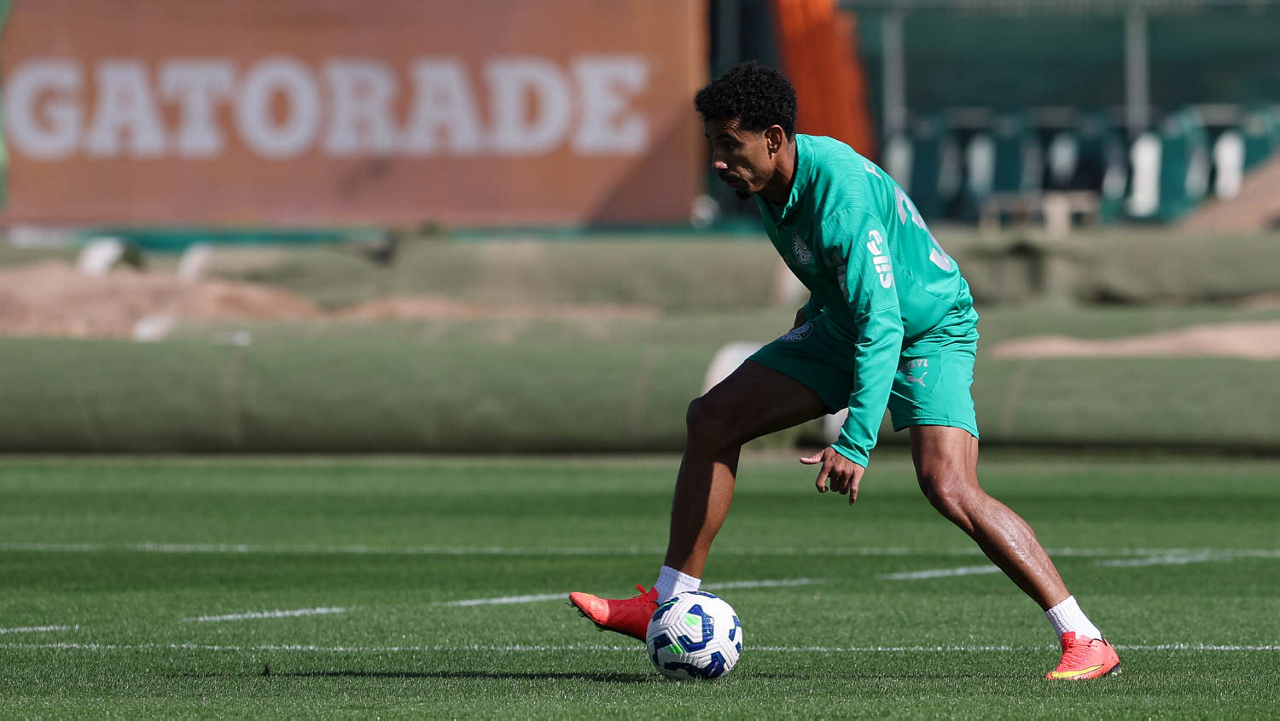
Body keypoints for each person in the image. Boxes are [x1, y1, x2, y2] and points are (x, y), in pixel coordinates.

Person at [569, 62, 1119, 681]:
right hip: (845, 322)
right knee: (713, 418)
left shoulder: (840, 194)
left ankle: (1084, 637)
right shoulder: (768, 184)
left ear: (773, 138)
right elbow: (843, 286)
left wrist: (855, 442)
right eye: (712, 144)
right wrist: (809, 330)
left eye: (729, 143)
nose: (718, 160)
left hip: (927, 329)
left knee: (948, 485)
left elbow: (884, 322)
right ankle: (667, 601)